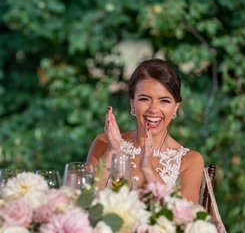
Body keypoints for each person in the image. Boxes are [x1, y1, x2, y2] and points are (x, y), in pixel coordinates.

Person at [86, 58, 204, 203]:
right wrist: (112, 150)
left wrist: (148, 169)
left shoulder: (190, 160)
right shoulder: (103, 143)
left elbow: (185, 218)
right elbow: (85, 201)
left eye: (164, 101)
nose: (154, 109)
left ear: (175, 107)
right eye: (144, 99)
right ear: (132, 103)